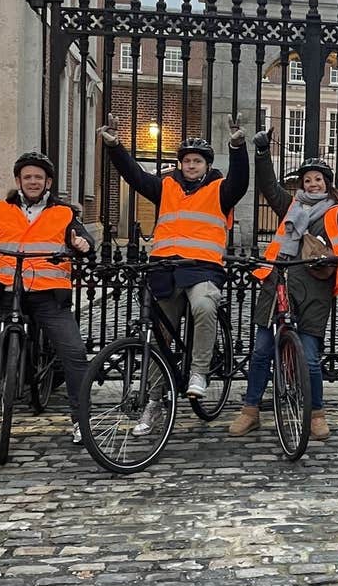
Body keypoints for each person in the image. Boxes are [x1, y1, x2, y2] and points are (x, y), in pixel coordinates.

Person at [98, 112, 249, 435]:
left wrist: (238, 147)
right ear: (180, 164)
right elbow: (135, 176)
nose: (191, 165)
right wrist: (115, 146)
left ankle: (198, 372)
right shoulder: (165, 187)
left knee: (205, 305)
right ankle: (154, 400)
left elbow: (241, 180)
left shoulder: (220, 190)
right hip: (164, 270)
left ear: (207, 165)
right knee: (157, 337)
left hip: (202, 269)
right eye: (187, 161)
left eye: (197, 161)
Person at [229, 131, 338, 440]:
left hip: (314, 291)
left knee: (308, 356)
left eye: (318, 179)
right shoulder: (290, 207)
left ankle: (316, 413)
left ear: (327, 183)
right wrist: (263, 153)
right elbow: (268, 187)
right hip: (278, 282)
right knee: (262, 350)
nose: (312, 184)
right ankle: (250, 410)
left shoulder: (335, 212)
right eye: (307, 180)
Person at [0, 151, 93, 444]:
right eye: (27, 177)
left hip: (48, 296)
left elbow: (86, 241)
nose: (33, 181)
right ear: (18, 180)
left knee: (75, 354)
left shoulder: (64, 213)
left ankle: (81, 421)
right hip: (2, 292)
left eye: (38, 177)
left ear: (48, 181)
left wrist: (82, 244)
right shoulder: (0, 209)